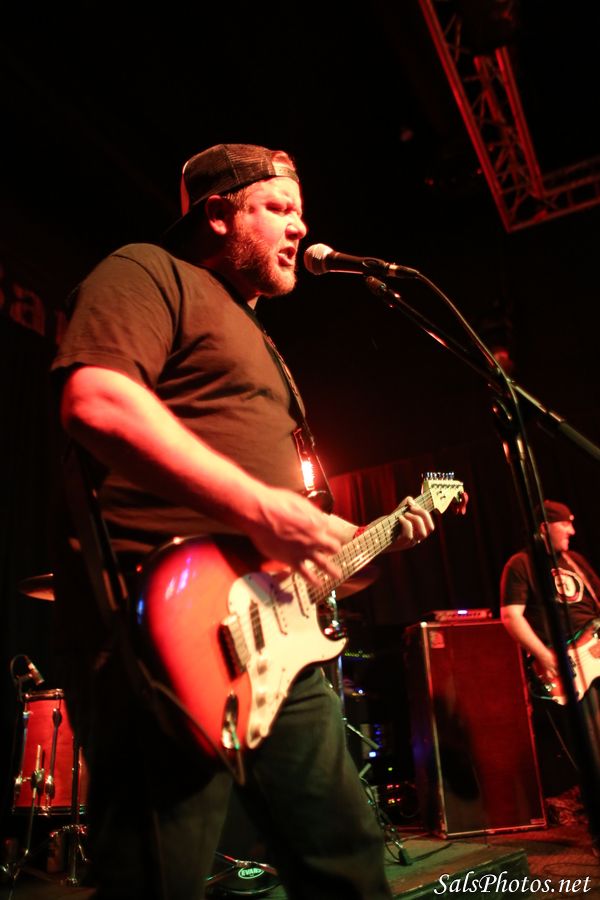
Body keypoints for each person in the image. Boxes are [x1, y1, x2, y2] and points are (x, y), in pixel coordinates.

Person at [50, 143, 436, 900]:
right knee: (153, 879)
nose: (300, 227)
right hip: (167, 629)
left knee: (348, 867)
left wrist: (348, 543)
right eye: (279, 208)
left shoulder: (263, 342)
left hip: (275, 642)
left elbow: (276, 521)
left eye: (301, 212)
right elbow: (96, 400)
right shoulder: (148, 272)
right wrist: (261, 507)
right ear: (219, 214)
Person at [500, 499, 600, 802]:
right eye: (565, 524)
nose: (572, 530)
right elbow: (511, 616)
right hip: (569, 664)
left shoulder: (575, 561)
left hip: (595, 648)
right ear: (545, 528)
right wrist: (545, 656)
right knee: (594, 746)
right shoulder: (521, 564)